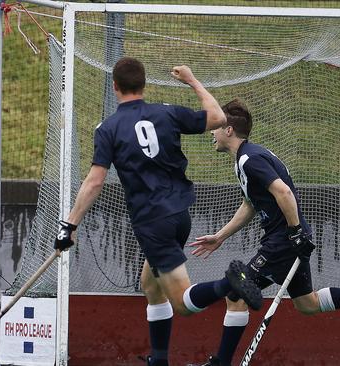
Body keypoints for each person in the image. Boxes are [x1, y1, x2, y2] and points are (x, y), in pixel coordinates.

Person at [53, 57, 263, 366]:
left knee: (183, 303)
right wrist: (192, 81)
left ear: (115, 87)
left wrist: (69, 225)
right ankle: (159, 359)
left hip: (153, 223)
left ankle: (228, 284)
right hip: (180, 216)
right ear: (143, 85)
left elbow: (95, 181)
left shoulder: (108, 128)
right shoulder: (166, 113)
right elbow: (218, 116)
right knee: (150, 285)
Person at [189, 99, 340, 366]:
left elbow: (282, 191)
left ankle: (220, 363)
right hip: (289, 240)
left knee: (236, 293)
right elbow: (251, 203)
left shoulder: (249, 159)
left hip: (283, 243)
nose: (211, 132)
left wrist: (295, 233)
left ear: (229, 130)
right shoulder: (246, 158)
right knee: (308, 304)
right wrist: (221, 236)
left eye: (215, 126)